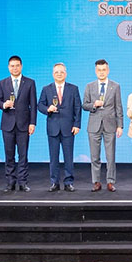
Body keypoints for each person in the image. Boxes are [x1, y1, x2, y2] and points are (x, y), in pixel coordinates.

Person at [0, 55, 37, 192]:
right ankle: (10, 182)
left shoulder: (30, 83)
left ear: (21, 66)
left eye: (17, 65)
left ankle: (23, 182)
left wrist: (32, 123)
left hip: (24, 124)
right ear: (8, 67)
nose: (15, 68)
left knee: (23, 155)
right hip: (7, 124)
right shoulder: (2, 83)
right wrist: (4, 104)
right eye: (12, 66)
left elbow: (33, 105)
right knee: (9, 155)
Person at [38, 63, 82, 192]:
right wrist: (48, 109)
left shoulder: (73, 88)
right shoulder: (46, 89)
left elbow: (77, 108)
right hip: (53, 128)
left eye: (61, 72)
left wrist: (77, 124)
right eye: (56, 72)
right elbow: (40, 105)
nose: (59, 74)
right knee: (53, 157)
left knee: (69, 157)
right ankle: (54, 182)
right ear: (53, 74)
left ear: (65, 74)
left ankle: (69, 182)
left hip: (69, 128)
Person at [82, 59, 124, 192]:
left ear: (108, 71)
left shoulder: (115, 86)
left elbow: (119, 107)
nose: (101, 72)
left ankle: (110, 181)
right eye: (99, 70)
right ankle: (96, 182)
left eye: (104, 70)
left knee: (110, 156)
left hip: (110, 125)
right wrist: (94, 104)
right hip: (94, 125)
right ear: (95, 71)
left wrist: (120, 125)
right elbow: (84, 105)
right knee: (94, 156)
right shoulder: (89, 86)